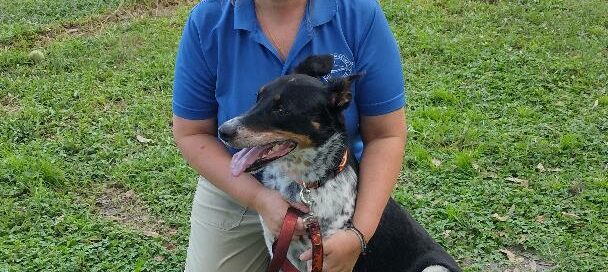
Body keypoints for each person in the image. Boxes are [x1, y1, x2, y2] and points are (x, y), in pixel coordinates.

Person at [171, 0, 407, 271]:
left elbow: (385, 136)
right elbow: (192, 134)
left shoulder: (358, 14)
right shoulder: (208, 20)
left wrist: (358, 235)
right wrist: (258, 198)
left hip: (334, 180)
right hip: (235, 179)